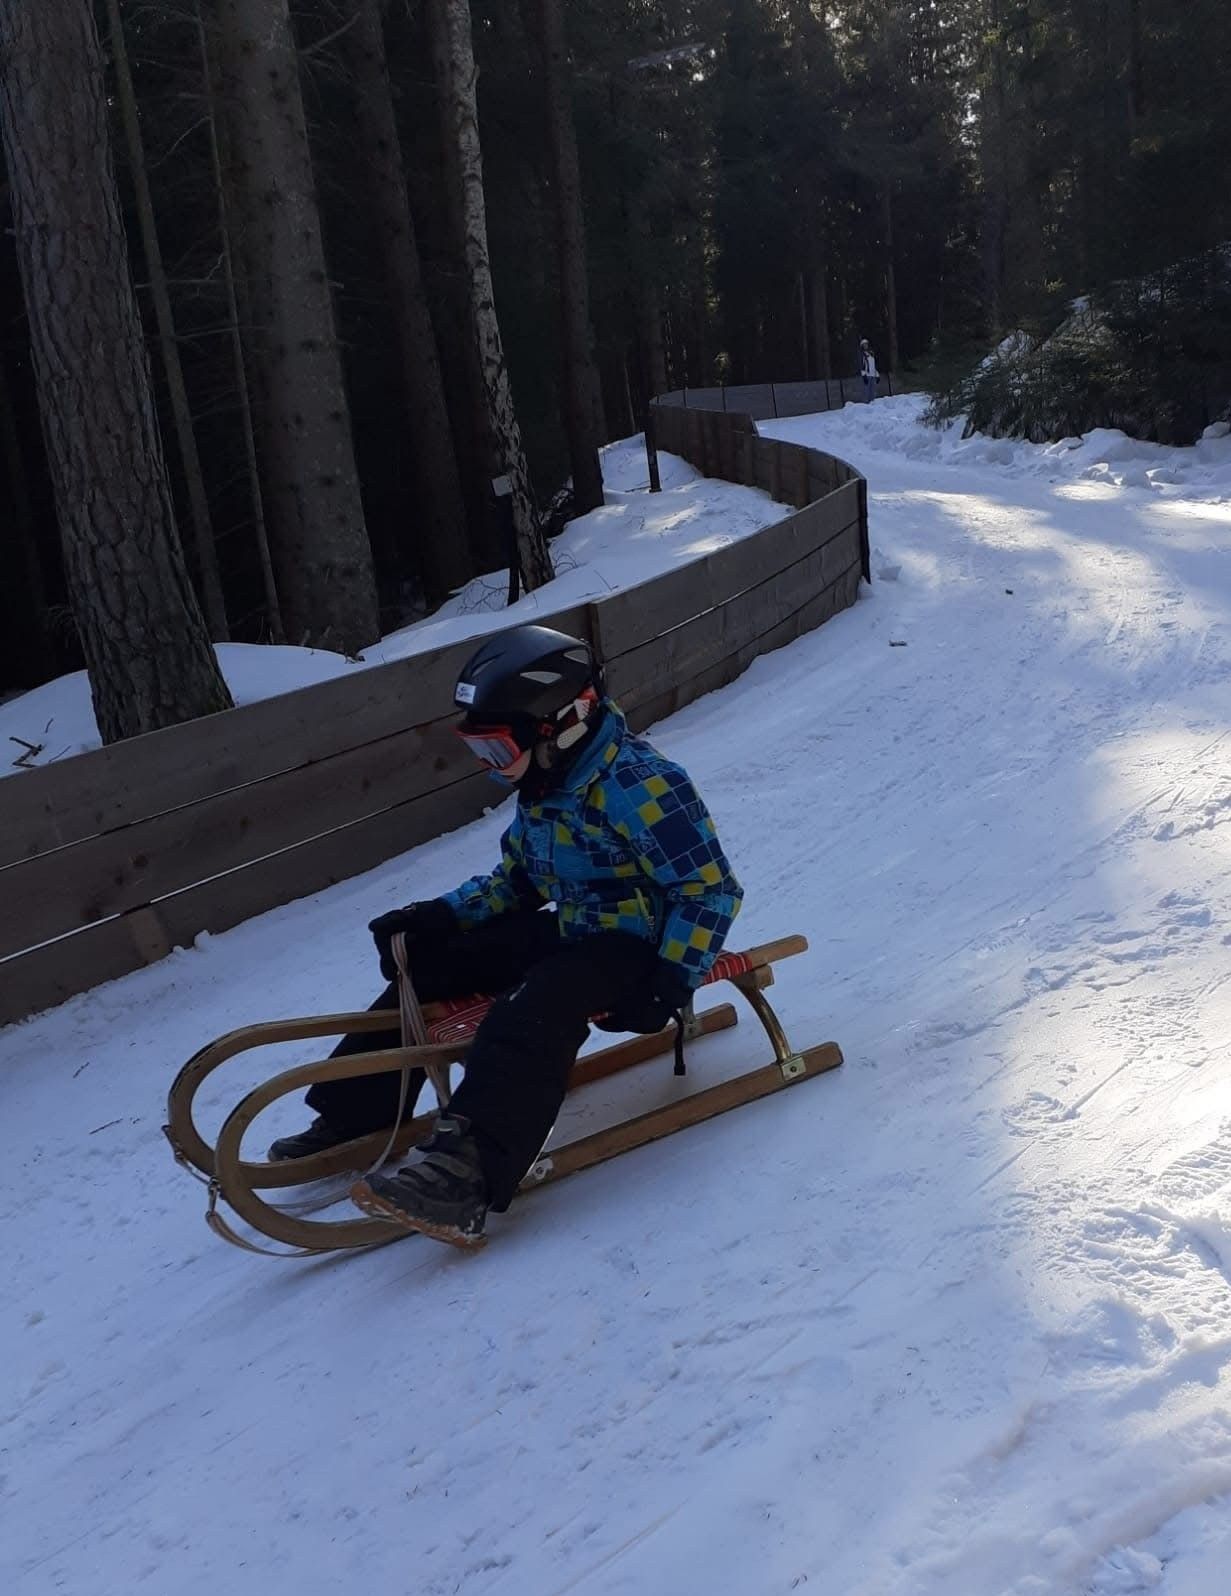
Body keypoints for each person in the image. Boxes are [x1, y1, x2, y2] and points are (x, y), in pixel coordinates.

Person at [270, 624, 743, 1248]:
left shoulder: (640, 784)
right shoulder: (547, 787)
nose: (488, 768)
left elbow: (709, 890)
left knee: (535, 1007)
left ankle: (466, 1169)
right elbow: (518, 881)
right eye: (478, 751)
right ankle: (355, 1115)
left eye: (495, 750)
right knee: (435, 965)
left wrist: (671, 978)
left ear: (559, 724)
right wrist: (439, 916)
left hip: (637, 945)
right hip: (574, 930)